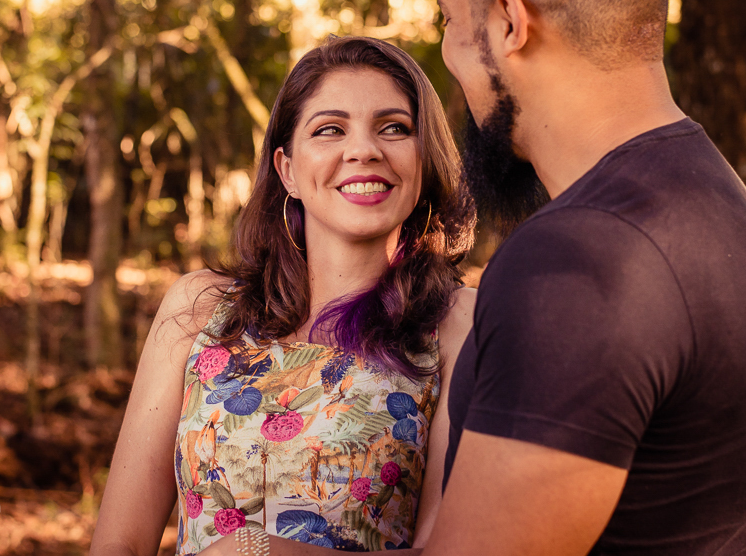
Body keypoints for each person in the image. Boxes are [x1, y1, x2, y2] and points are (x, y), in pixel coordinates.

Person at [421, 0, 746, 555]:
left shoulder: (578, 260)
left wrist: (259, 548)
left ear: (509, 21)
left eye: (450, 19)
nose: (447, 52)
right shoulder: (716, 196)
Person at [90, 36, 477, 556]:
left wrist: (259, 550)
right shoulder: (200, 309)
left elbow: (448, 551)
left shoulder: (459, 325)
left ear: (423, 159)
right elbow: (120, 544)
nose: (364, 149)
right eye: (330, 129)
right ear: (287, 170)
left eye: (394, 128)